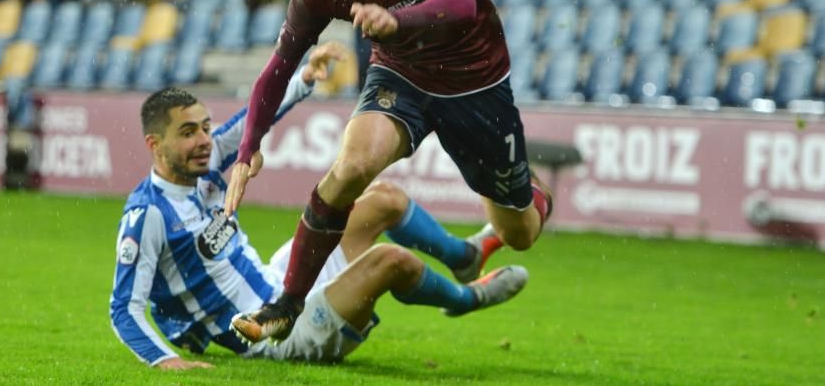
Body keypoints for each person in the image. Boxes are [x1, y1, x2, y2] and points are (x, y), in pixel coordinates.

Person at [220, 0, 553, 344]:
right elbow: (276, 69)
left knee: (521, 231)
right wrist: (249, 146)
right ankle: (287, 304)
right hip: (401, 75)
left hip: (473, 80)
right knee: (352, 165)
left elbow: (460, 0)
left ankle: (522, 202)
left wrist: (397, 19)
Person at [110, 42, 522, 370]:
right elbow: (124, 309)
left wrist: (305, 75)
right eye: (188, 133)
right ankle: (468, 298)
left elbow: (258, 115)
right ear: (155, 145)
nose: (203, 140)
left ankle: (464, 256)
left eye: (204, 127)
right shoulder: (149, 216)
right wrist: (167, 360)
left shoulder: (210, 157)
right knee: (390, 261)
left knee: (385, 199)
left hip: (279, 283)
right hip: (271, 336)